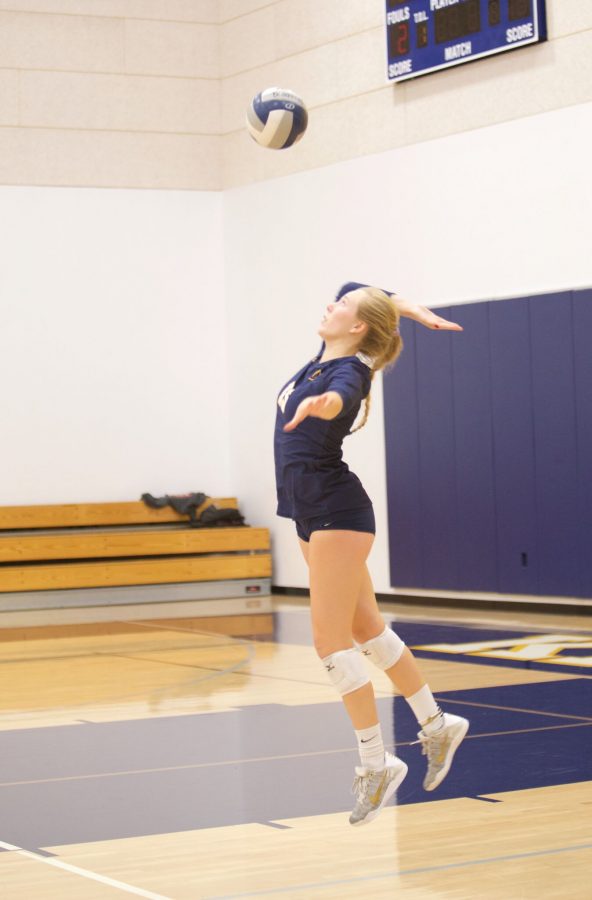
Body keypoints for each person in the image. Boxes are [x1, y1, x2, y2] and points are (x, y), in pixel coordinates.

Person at [274, 282, 469, 826]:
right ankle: (436, 724)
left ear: (358, 327)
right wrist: (408, 308)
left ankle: (374, 762)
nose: (330, 304)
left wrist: (325, 404)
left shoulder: (348, 372)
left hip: (336, 510)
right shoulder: (326, 356)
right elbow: (361, 291)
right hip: (308, 511)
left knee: (331, 645)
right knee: (368, 631)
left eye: (341, 307)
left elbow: (346, 396)